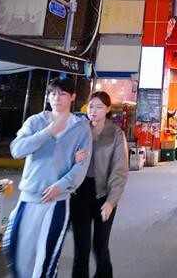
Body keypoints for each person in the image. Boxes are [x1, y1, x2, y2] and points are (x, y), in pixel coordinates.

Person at [5, 77, 92, 278]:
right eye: (53, 93)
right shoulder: (35, 122)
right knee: (18, 254)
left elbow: (82, 165)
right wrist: (48, 132)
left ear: (73, 97)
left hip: (57, 200)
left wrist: (60, 187)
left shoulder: (80, 128)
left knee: (47, 256)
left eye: (62, 94)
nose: (57, 98)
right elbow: (17, 150)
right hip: (28, 197)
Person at [71, 92, 128, 278]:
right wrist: (72, 158)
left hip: (104, 194)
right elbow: (63, 158)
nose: (93, 111)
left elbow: (119, 170)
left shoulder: (115, 133)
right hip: (80, 194)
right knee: (81, 248)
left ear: (108, 109)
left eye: (99, 107)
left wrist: (111, 201)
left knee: (100, 245)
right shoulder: (79, 129)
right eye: (91, 106)